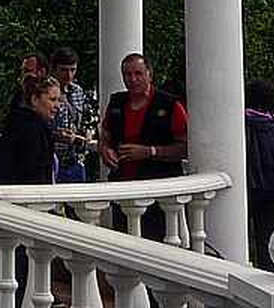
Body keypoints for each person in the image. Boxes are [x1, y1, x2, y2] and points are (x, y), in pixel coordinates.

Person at [98, 53, 188, 241]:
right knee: (123, 243)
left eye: (138, 74)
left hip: (158, 193)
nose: (133, 79)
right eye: (127, 74)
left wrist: (150, 152)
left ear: (149, 74)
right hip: (123, 190)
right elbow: (105, 137)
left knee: (156, 245)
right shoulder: (116, 102)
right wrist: (105, 150)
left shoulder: (170, 105)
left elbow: (185, 147)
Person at [0, 74, 62, 306]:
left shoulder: (19, 122)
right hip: (26, 206)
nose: (57, 105)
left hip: (15, 204)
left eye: (58, 100)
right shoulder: (33, 128)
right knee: (23, 263)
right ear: (35, 99)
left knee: (18, 266)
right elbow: (32, 170)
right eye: (52, 99)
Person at [245, 79, 274, 270]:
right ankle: (267, 272)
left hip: (252, 184)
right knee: (266, 236)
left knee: (239, 231)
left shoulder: (242, 123)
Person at [50, 46, 90, 183]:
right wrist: (57, 135)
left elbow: (84, 118)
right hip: (53, 158)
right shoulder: (45, 92)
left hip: (75, 158)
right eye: (64, 70)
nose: (68, 75)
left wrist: (86, 132)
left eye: (72, 70)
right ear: (54, 69)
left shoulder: (77, 91)